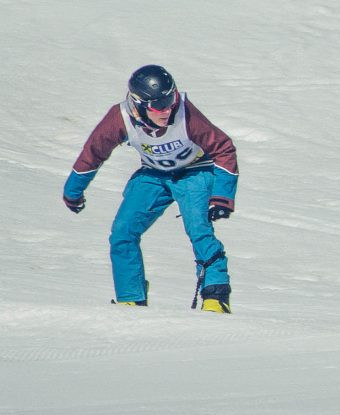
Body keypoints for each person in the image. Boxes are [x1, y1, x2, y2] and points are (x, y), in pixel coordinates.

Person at [63, 65, 238, 313]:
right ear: (138, 104)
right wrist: (73, 190)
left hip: (195, 171)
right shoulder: (120, 118)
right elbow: (93, 152)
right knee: (123, 231)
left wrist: (222, 198)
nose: (167, 110)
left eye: (170, 99)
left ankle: (216, 295)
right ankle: (130, 296)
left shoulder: (185, 113)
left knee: (198, 228)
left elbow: (224, 148)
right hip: (154, 175)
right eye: (158, 105)